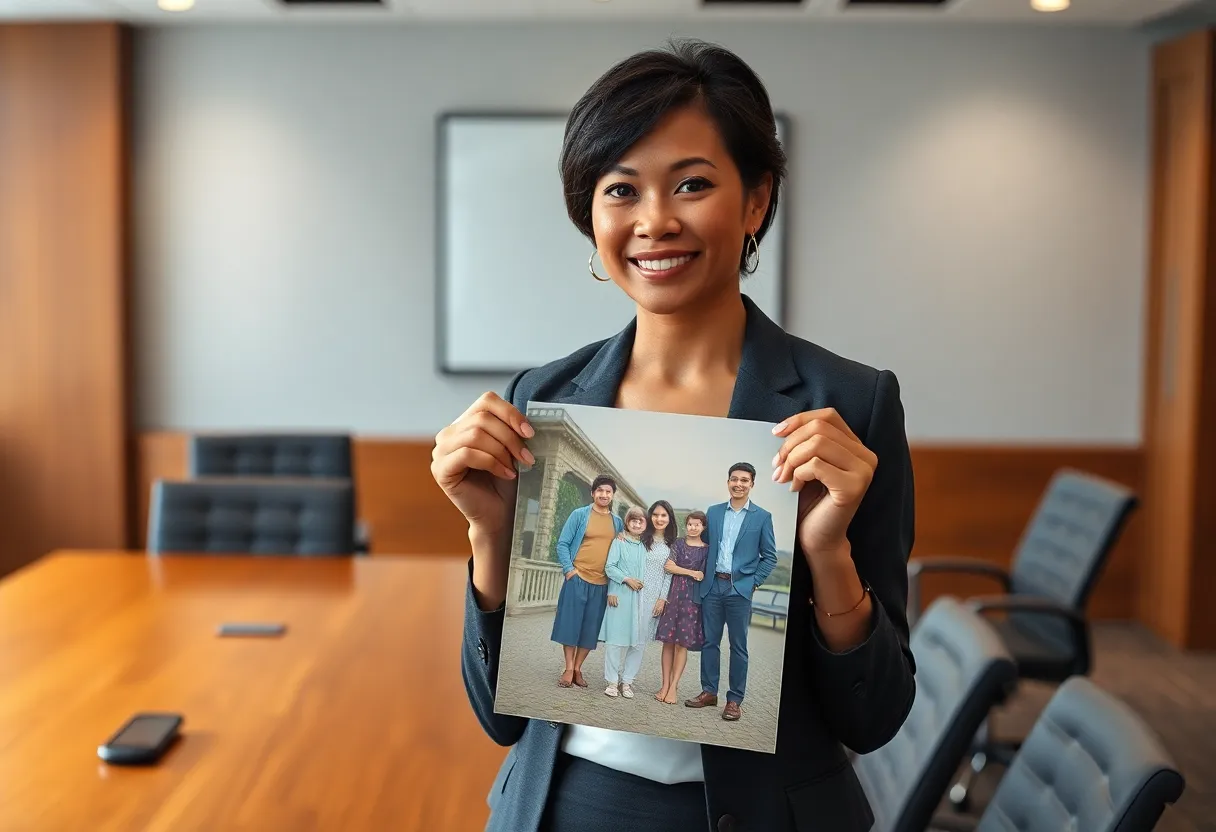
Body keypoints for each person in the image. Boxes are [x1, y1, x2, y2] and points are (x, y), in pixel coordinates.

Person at [432, 37, 916, 832]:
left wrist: (827, 552)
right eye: (621, 191)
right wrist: (490, 534)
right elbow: (503, 719)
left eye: (692, 184)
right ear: (591, 216)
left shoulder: (849, 407)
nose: (655, 221)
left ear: (756, 200)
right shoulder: (543, 402)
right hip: (563, 807)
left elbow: (876, 718)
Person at [686, 462, 776, 722]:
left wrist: (753, 582)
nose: (738, 484)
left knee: (739, 647)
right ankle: (709, 692)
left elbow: (769, 556)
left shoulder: (762, 517)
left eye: (744, 480)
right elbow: (700, 545)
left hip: (739, 590)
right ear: (728, 482)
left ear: (752, 484)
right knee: (709, 642)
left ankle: (734, 700)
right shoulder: (713, 513)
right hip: (713, 586)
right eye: (734, 479)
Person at [551, 474, 626, 689]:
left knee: (590, 629)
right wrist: (569, 571)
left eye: (608, 492)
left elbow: (621, 551)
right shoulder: (580, 515)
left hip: (601, 584)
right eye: (600, 490)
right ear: (593, 493)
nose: (604, 494)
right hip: (578, 577)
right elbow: (563, 544)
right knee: (570, 624)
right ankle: (567, 668)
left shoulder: (617, 522)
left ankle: (577, 668)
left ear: (612, 496)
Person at [654, 510, 708, 706]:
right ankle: (664, 685)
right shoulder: (678, 543)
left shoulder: (706, 550)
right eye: (690, 524)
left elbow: (703, 575)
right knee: (668, 642)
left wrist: (692, 573)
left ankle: (674, 686)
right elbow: (669, 566)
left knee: (681, 645)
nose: (693, 528)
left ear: (703, 527)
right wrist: (692, 572)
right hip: (673, 596)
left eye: (697, 525)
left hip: (692, 602)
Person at [599, 506, 650, 698]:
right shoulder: (618, 542)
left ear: (645, 524)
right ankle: (612, 681)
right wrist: (625, 580)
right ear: (627, 523)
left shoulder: (646, 546)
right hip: (620, 594)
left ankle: (627, 682)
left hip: (640, 599)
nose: (637, 524)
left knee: (636, 641)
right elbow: (610, 567)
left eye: (640, 521)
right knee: (614, 640)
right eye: (633, 520)